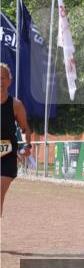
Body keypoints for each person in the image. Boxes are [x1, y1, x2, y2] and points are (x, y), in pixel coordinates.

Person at [1, 63, 32, 215]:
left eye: (3, 77)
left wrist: (27, 145)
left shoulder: (16, 105)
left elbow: (25, 129)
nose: (0, 81)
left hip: (7, 156)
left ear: (9, 81)